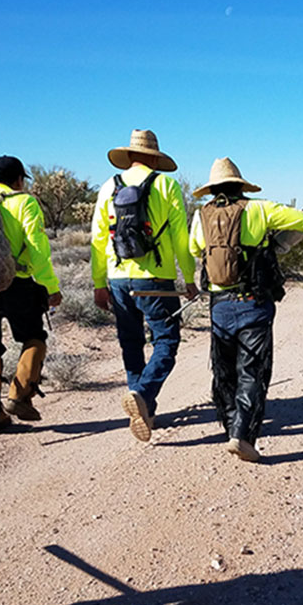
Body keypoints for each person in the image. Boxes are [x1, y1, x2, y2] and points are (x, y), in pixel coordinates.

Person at [188, 157, 303, 462]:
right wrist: (275, 244)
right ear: (240, 186)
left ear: (213, 188)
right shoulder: (258, 208)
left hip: (219, 305)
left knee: (224, 371)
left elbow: (195, 250)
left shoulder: (200, 215)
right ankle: (242, 434)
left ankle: (231, 426)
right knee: (252, 371)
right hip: (254, 302)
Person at [90, 129, 198, 442]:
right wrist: (188, 277)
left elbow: (98, 239)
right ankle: (144, 395)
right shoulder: (165, 184)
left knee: (131, 342)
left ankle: (143, 406)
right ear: (154, 157)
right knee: (166, 340)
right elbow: (180, 236)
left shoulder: (108, 186)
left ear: (129, 155)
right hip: (156, 279)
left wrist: (99, 283)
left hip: (118, 277)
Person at [0, 155, 62, 433]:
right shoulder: (24, 202)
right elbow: (38, 249)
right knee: (33, 336)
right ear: (19, 179)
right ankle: (19, 396)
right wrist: (50, 287)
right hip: (15, 284)